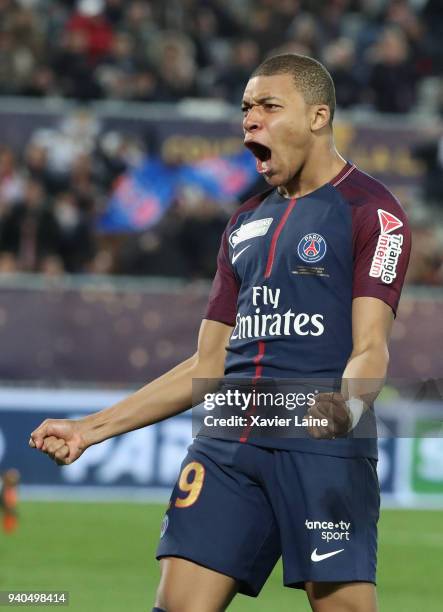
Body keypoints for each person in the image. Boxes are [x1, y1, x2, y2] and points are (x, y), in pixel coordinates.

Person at [29, 53, 411, 612]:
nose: (250, 119)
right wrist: (91, 428)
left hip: (318, 446)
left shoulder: (372, 212)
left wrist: (344, 411)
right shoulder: (242, 223)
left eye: (269, 106)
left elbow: (371, 347)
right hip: (226, 445)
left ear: (318, 116)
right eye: (246, 108)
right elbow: (207, 364)